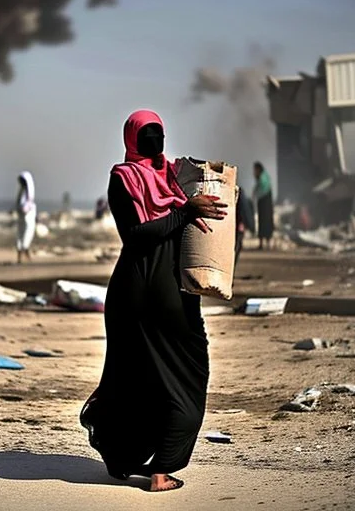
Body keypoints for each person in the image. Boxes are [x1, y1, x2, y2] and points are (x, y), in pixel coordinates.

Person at [79, 110, 226, 493]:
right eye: (148, 134)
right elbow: (137, 236)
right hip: (141, 292)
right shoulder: (123, 178)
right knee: (181, 373)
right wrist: (184, 212)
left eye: (159, 133)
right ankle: (160, 470)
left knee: (142, 379)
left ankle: (123, 458)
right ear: (131, 139)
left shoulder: (171, 176)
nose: (156, 140)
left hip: (169, 291)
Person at [16, 171, 37, 264]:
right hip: (25, 214)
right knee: (24, 233)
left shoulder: (25, 193)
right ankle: (23, 254)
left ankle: (23, 255)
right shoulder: (24, 193)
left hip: (26, 214)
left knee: (25, 233)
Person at [253, 161, 274, 250]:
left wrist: (256, 194)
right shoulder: (262, 177)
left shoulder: (263, 177)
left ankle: (267, 243)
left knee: (266, 222)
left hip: (265, 203)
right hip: (263, 203)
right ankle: (262, 243)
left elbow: (263, 189)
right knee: (262, 222)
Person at [234, 187, 255, 268]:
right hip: (235, 226)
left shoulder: (238, 192)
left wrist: (242, 223)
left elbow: (243, 209)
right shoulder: (238, 192)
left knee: (236, 247)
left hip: (237, 225)